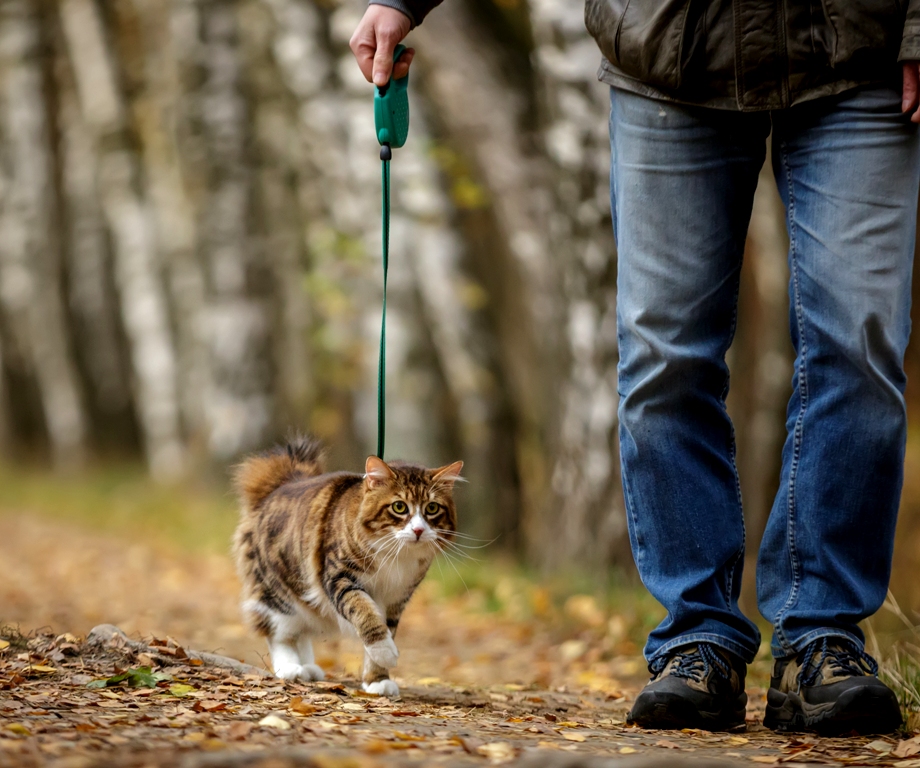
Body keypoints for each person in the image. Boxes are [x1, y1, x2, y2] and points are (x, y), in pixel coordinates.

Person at [350, 0, 919, 735]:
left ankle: (824, 638)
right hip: (667, 49)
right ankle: (696, 639)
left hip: (859, 49)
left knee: (862, 345)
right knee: (665, 358)